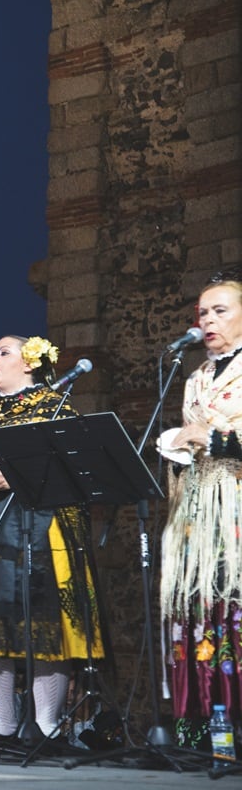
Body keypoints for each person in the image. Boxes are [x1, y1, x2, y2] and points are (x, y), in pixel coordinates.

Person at [0, 336, 104, 741]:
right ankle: (2, 725)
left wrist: (13, 471)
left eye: (3, 352)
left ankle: (47, 725)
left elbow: (71, 466)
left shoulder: (53, 405)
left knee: (42, 621)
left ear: (29, 364)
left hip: (37, 524)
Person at [159, 273, 242, 748]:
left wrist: (209, 438)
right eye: (202, 313)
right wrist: (176, 447)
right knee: (195, 610)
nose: (207, 320)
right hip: (195, 513)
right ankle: (201, 730)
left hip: (234, 509)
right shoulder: (194, 376)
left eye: (220, 310)